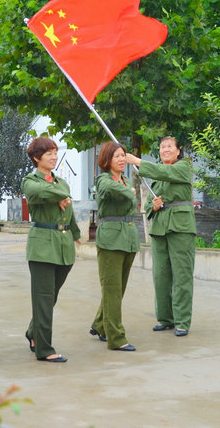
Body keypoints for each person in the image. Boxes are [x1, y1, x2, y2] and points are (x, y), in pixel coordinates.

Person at [125, 136, 197, 337]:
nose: (165, 149)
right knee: (160, 276)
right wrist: (153, 207)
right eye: (162, 146)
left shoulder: (182, 167)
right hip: (159, 229)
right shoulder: (156, 177)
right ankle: (165, 319)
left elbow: (166, 172)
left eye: (169, 146)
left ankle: (182, 321)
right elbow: (149, 204)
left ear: (177, 151)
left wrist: (137, 161)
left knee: (182, 275)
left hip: (180, 227)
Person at [21, 137, 81, 363]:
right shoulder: (29, 180)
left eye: (55, 153)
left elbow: (68, 203)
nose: (54, 157)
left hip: (63, 244)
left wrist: (75, 234)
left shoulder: (59, 181)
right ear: (37, 158)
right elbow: (38, 192)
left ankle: (33, 332)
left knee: (50, 296)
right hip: (43, 245)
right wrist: (60, 195)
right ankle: (44, 349)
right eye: (49, 154)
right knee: (43, 297)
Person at [90, 141, 140, 352]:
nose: (121, 159)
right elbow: (115, 190)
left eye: (123, 155)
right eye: (116, 156)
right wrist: (129, 191)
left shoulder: (125, 179)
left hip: (128, 237)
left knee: (118, 289)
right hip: (111, 238)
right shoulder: (103, 179)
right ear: (107, 160)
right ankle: (116, 338)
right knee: (111, 289)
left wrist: (128, 189)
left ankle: (101, 325)